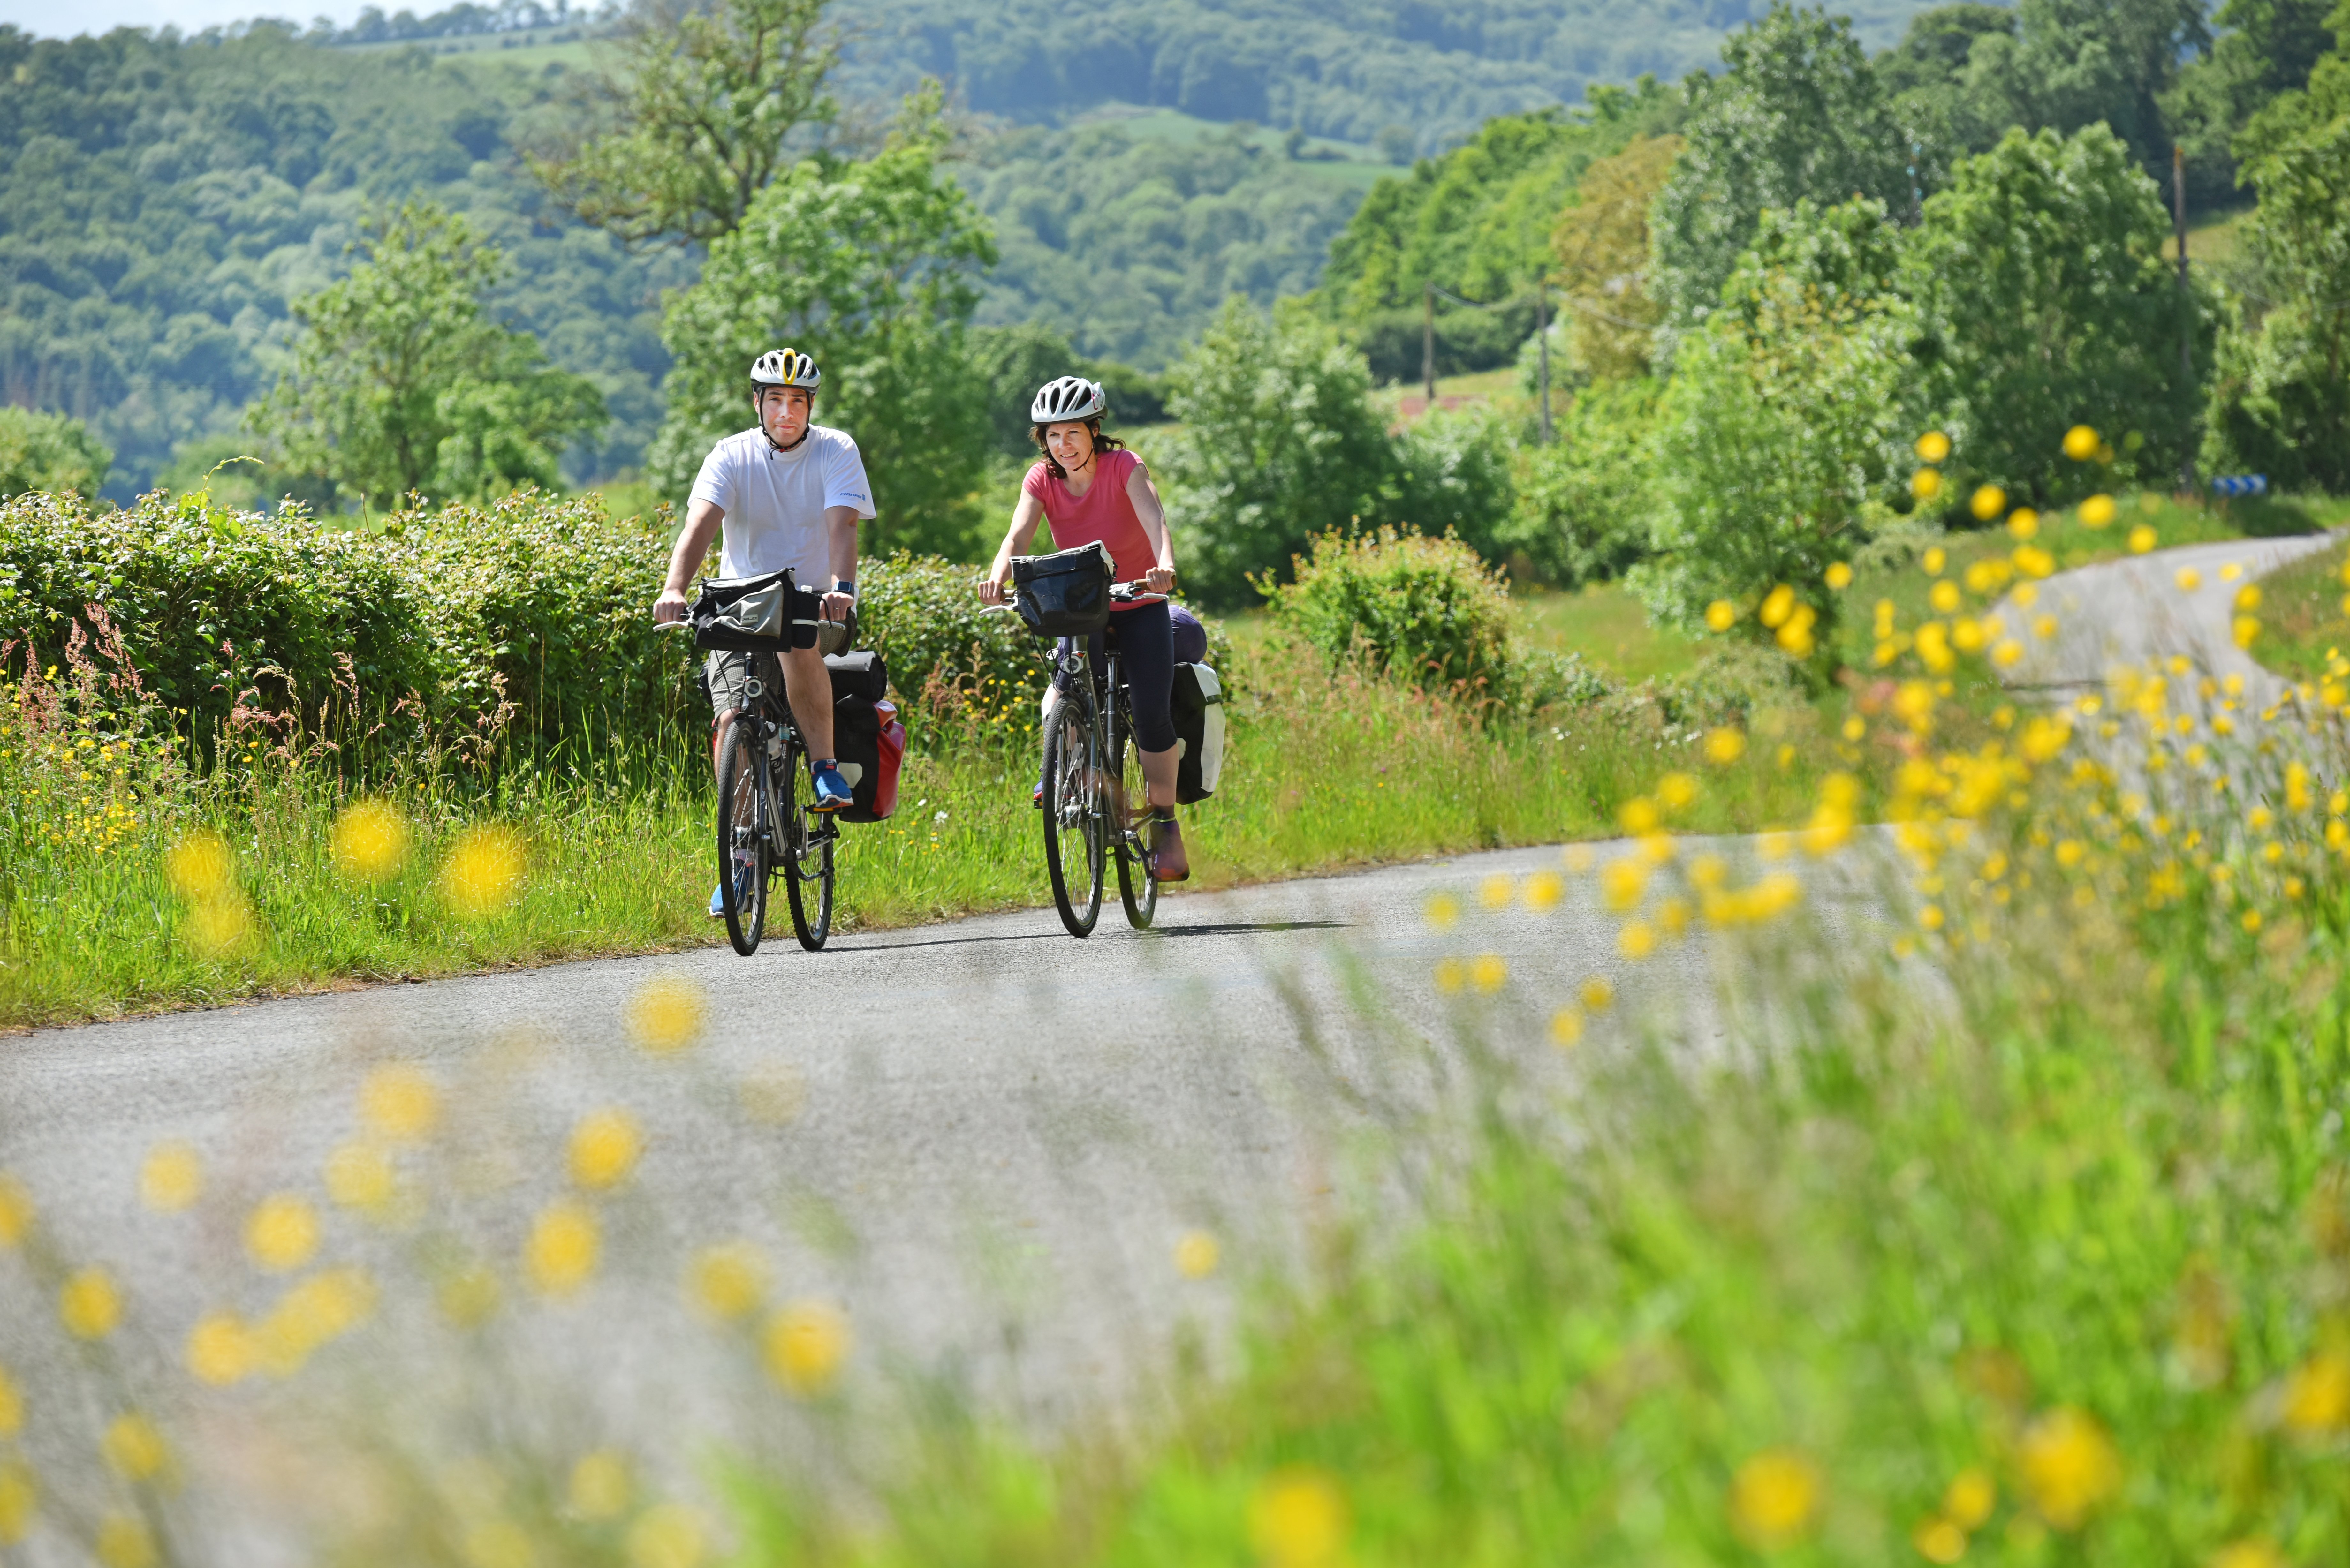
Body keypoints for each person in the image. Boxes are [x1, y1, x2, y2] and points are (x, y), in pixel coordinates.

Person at [652, 348, 873, 918]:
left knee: (799, 642)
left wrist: (842, 587)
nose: (786, 412)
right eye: (775, 399)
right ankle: (741, 857)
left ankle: (824, 768)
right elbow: (700, 523)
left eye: (797, 401)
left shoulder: (836, 450)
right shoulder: (731, 455)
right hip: (742, 606)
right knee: (731, 720)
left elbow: (842, 523)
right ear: (758, 403)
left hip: (813, 604)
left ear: (810, 406)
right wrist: (676, 588)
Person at [978, 374, 1190, 882]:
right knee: (1065, 691)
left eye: (1072, 433)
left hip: (1139, 602)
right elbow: (1017, 535)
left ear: (1095, 430)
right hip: (1082, 606)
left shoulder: (1124, 467)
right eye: (1052, 435)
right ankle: (1065, 772)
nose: (1063, 445)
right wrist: (996, 577)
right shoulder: (1041, 480)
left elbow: (1155, 519)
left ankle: (1165, 824)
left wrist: (1164, 566)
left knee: (1151, 715)